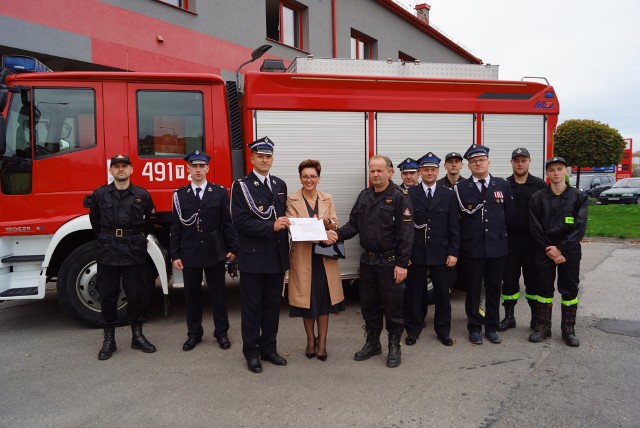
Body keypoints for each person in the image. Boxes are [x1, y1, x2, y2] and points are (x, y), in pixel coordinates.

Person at [329, 155, 413, 368]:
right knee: (369, 305)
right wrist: (335, 235)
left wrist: (402, 264)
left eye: (379, 170)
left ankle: (394, 346)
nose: (375, 174)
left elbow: (406, 234)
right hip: (368, 262)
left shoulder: (399, 197)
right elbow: (353, 225)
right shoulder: (364, 196)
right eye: (372, 171)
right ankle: (373, 343)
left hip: (390, 262)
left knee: (393, 307)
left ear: (390, 172)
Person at [230, 136, 290, 373]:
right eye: (260, 156)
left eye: (268, 156)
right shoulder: (241, 186)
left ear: (272, 159)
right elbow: (240, 222)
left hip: (276, 257)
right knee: (252, 307)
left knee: (272, 306)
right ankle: (251, 352)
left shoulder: (279, 185)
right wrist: (270, 227)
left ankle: (269, 348)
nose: (265, 160)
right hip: (253, 258)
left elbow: (285, 216)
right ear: (252, 158)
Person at [89, 154, 156, 360]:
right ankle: (109, 340)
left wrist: (135, 238)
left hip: (133, 251)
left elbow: (149, 223)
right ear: (110, 171)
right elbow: (95, 222)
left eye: (124, 166)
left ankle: (137, 335)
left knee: (135, 295)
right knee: (107, 296)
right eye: (116, 166)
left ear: (131, 170)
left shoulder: (142, 195)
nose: (120, 170)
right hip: (108, 251)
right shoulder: (100, 195)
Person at [170, 150, 238, 352]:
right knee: (191, 296)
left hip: (214, 252)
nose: (198, 170)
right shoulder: (180, 195)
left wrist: (233, 248)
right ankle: (194, 334)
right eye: (194, 166)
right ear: (188, 169)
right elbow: (176, 227)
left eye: (202, 166)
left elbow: (227, 223)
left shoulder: (218, 192)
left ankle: (222, 333)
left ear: (207, 168)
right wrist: (175, 254)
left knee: (218, 294)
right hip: (189, 252)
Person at [453, 144, 514, 345]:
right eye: (473, 161)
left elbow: (509, 215)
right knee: (472, 290)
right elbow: (457, 220)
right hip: (472, 248)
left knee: (494, 288)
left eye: (481, 160)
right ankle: (474, 328)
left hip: (497, 247)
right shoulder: (460, 189)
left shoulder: (502, 185)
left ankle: (492, 327)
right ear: (468, 166)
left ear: (488, 162)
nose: (478, 163)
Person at [286, 159, 345, 361]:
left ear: (318, 178)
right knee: (307, 302)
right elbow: (296, 229)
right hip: (303, 258)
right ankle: (310, 341)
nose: (308, 180)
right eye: (305, 176)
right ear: (300, 178)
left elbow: (335, 223)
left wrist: (329, 223)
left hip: (324, 258)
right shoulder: (291, 200)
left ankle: (322, 343)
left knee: (324, 302)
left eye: (312, 176)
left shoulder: (327, 198)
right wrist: (323, 234)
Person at [528, 156, 588, 347]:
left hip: (568, 250)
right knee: (543, 290)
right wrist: (551, 250)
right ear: (547, 173)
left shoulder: (578, 197)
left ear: (566, 171)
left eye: (559, 169)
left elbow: (579, 227)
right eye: (552, 170)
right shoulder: (537, 198)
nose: (555, 173)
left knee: (569, 290)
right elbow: (534, 227)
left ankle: (568, 330)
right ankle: (543, 328)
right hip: (544, 249)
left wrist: (561, 249)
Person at [405, 152, 459, 347]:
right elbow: (405, 228)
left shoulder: (449, 194)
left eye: (433, 169)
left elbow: (454, 226)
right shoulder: (410, 194)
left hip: (442, 253)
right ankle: (413, 329)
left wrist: (453, 252)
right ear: (420, 172)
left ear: (438, 170)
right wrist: (406, 254)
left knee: (443, 295)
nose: (429, 173)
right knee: (415, 294)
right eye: (426, 169)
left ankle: (443, 331)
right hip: (417, 253)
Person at [498, 148, 547, 332]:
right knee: (509, 280)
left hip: (532, 241)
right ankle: (509, 317)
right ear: (511, 162)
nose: (520, 163)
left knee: (532, 280)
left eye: (523, 160)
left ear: (529, 161)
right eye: (516, 160)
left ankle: (535, 318)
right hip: (508, 241)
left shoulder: (540, 185)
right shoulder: (503, 185)